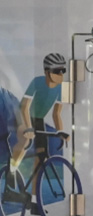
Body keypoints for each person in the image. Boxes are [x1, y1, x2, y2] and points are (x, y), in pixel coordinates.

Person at [10, 53, 69, 191]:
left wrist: (60, 131)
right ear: (47, 72)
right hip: (23, 115)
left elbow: (56, 113)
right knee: (25, 141)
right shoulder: (37, 82)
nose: (60, 74)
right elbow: (24, 106)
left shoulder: (62, 88)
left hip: (39, 119)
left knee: (41, 155)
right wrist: (28, 128)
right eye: (57, 71)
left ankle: (36, 199)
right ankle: (12, 170)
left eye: (63, 70)